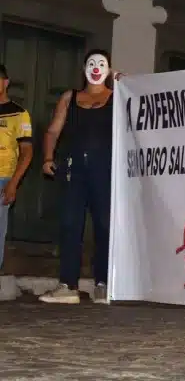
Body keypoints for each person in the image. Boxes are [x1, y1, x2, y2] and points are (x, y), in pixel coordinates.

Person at [39, 50, 120, 304]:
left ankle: (103, 284)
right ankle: (68, 285)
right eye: (92, 64)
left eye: (102, 64)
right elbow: (53, 130)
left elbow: (142, 104)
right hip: (74, 168)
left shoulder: (118, 96)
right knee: (70, 224)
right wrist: (48, 158)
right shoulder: (70, 98)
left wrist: (124, 81)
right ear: (84, 67)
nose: (96, 69)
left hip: (105, 169)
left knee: (105, 226)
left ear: (108, 69)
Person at [0, 64, 33, 272]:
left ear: (6, 82)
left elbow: (27, 152)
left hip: (3, 178)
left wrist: (13, 183)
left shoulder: (19, 114)